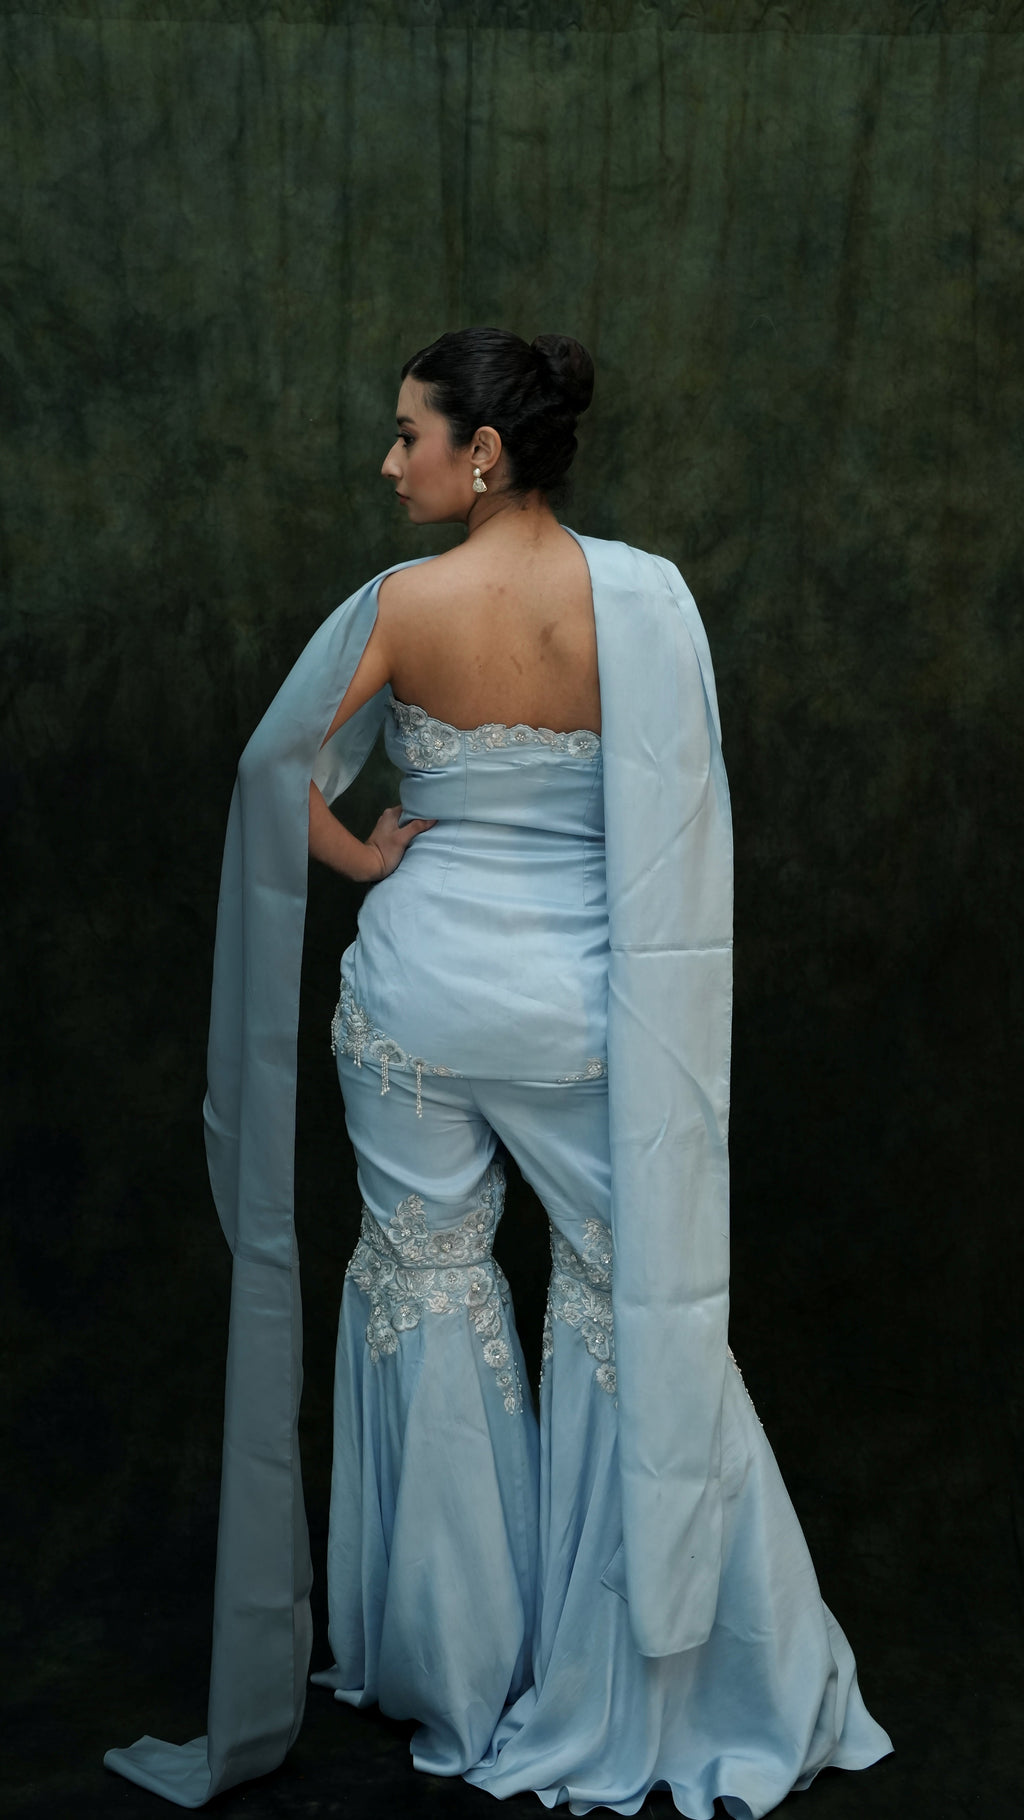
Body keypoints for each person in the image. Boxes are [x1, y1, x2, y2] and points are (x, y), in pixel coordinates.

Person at [105, 329, 892, 1816]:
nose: (388, 460)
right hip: (584, 1007)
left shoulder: (401, 604)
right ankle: (658, 1673)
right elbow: (681, 823)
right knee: (633, 1303)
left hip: (414, 998)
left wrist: (366, 857)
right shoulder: (641, 600)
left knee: (427, 1290)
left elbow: (272, 773)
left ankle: (455, 1671)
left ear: (482, 451)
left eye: (408, 433)